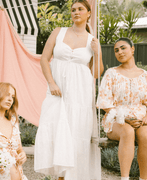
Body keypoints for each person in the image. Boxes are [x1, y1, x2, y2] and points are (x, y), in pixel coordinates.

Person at [34, 0, 104, 179]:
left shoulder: (92, 40)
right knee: (55, 131)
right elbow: (44, 59)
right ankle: (58, 177)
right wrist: (51, 83)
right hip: (57, 92)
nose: (76, 12)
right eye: (73, 10)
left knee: (75, 135)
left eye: (80, 9)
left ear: (89, 13)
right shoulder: (59, 32)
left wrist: (97, 52)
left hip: (80, 95)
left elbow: (96, 73)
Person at [96, 38, 147, 180]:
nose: (119, 52)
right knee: (127, 131)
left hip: (142, 120)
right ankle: (124, 178)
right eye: (116, 50)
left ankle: (143, 178)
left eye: (123, 48)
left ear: (132, 49)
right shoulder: (111, 74)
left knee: (146, 135)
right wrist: (124, 118)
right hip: (117, 119)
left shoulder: (146, 75)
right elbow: (105, 103)